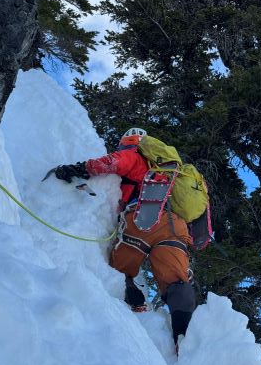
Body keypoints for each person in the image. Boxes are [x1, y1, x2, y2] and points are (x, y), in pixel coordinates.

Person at [54, 127, 196, 348]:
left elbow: (114, 162)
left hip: (143, 217)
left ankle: (134, 304)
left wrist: (79, 168)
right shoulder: (172, 172)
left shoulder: (135, 155)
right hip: (175, 226)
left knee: (118, 271)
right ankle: (184, 339)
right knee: (176, 280)